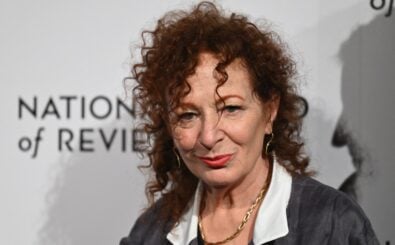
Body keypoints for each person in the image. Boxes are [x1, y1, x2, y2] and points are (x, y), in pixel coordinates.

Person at [120, 2, 378, 244]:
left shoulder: (332, 224)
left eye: (231, 108)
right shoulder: (151, 232)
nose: (208, 137)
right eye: (187, 115)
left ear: (269, 112)